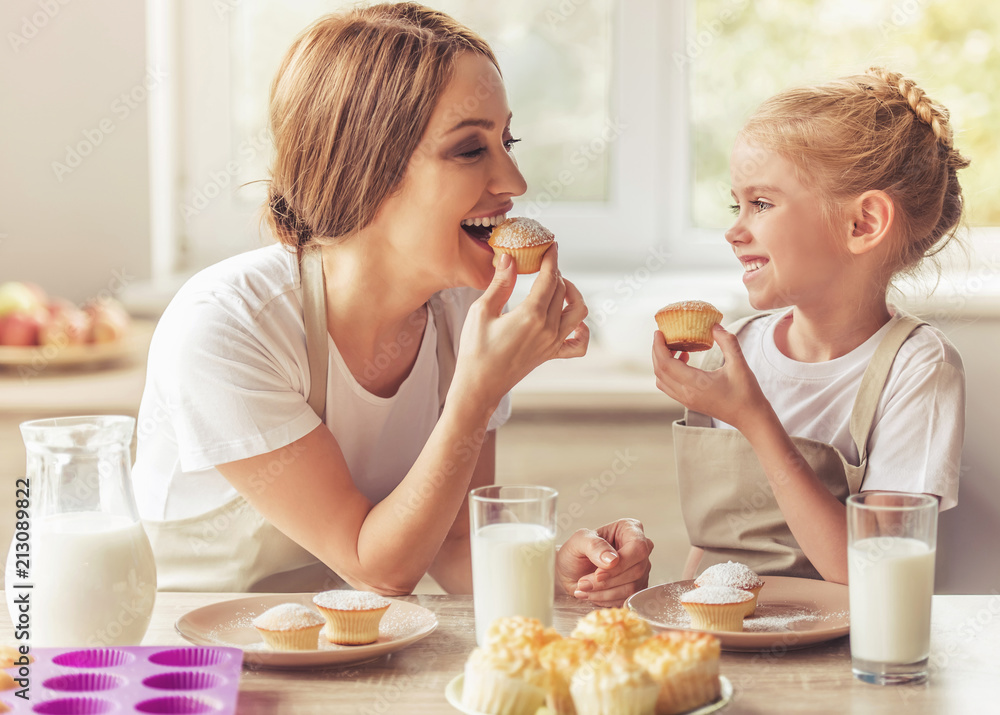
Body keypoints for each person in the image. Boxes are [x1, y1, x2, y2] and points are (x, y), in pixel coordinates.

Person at [132, 2, 653, 604]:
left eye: (507, 141)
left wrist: (557, 576)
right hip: (193, 661)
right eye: (469, 149)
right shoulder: (228, 327)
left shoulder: (461, 312)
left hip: (340, 643)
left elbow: (455, 546)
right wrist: (477, 391)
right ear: (365, 167)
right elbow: (377, 569)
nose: (513, 181)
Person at [652, 67, 968, 584]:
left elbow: (874, 572)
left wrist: (755, 420)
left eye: (761, 203)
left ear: (862, 224)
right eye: (736, 204)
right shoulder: (735, 350)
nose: (733, 230)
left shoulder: (918, 368)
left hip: (839, 655)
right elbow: (714, 547)